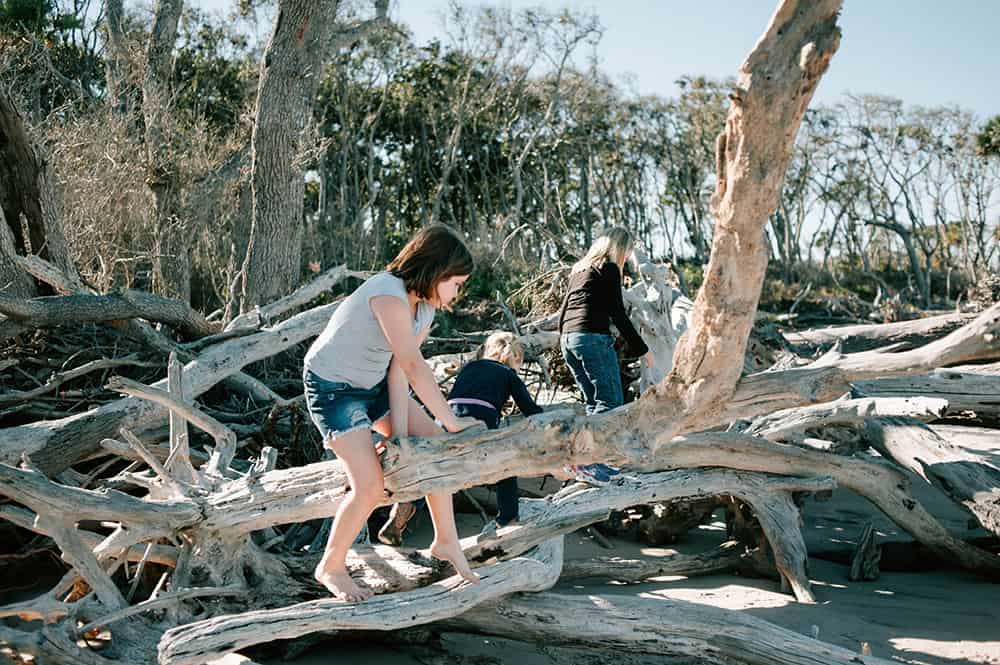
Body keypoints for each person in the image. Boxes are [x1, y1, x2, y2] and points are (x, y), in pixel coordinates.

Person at [303, 224, 482, 602]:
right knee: (369, 485)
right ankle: (331, 566)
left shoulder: (425, 309)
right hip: (333, 391)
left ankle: (446, 540)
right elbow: (415, 366)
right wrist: (450, 420)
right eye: (456, 282)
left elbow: (398, 372)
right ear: (436, 270)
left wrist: (400, 437)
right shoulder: (387, 294)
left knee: (434, 446)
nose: (457, 292)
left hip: (374, 387)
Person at [558, 226, 653, 485]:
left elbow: (565, 309)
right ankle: (589, 464)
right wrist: (643, 350)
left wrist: (564, 339)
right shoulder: (609, 268)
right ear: (620, 248)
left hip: (569, 339)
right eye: (628, 251)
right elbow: (618, 314)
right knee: (609, 402)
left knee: (593, 403)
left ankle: (586, 462)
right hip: (592, 338)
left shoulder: (579, 269)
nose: (627, 257)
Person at [447, 332, 543, 533]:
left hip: (447, 418)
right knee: (506, 467)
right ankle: (508, 518)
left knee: (433, 466)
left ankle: (409, 506)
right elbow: (529, 409)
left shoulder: (469, 368)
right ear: (515, 357)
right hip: (479, 419)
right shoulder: (508, 373)